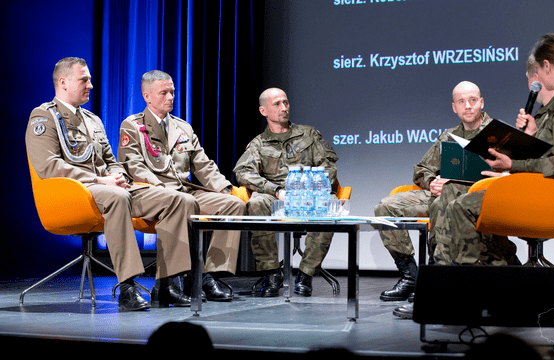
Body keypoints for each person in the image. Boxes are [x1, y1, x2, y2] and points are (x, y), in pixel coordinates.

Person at [25, 57, 198, 311]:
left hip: (110, 188)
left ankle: (166, 284)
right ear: (63, 82)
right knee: (117, 198)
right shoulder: (43, 116)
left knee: (180, 200)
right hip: (75, 192)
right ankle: (127, 287)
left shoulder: (93, 120)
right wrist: (99, 179)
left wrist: (117, 176)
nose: (91, 85)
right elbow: (47, 165)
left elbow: (110, 160)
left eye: (90, 79)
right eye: (84, 79)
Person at [432, 33, 554, 266]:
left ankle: (475, 286)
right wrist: (530, 137)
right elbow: (552, 153)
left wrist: (512, 166)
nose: (538, 78)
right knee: (462, 200)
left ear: (546, 66)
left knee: (463, 206)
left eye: (539, 72)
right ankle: (489, 277)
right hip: (544, 188)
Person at [374, 81, 510, 306]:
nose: (468, 106)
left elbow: (512, 173)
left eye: (473, 100)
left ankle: (438, 273)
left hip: (480, 198)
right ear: (454, 107)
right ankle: (411, 277)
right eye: (461, 102)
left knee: (443, 201)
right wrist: (431, 182)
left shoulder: (498, 133)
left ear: (481, 103)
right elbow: (421, 169)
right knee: (385, 208)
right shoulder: (449, 136)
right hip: (443, 194)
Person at [118, 70, 246, 302]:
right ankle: (172, 281)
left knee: (233, 205)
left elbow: (203, 165)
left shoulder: (182, 128)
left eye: (172, 92)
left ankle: (208, 276)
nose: (170, 97)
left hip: (184, 189)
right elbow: (133, 166)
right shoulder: (133, 126)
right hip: (151, 192)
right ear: (147, 96)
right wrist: (159, 185)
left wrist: (225, 188)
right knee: (183, 201)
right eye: (164, 92)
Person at [233, 87, 339, 297]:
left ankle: (306, 274)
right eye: (277, 104)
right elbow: (244, 173)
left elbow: (328, 165)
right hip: (275, 195)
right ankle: (272, 273)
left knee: (328, 203)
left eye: (286, 103)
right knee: (255, 203)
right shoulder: (258, 143)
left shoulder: (308, 134)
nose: (284, 108)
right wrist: (276, 190)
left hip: (308, 191)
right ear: (263, 111)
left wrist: (312, 188)